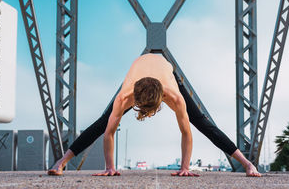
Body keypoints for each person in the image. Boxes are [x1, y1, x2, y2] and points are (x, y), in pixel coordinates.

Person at [48, 53, 261, 177]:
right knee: (103, 123)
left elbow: (186, 132)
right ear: (135, 100)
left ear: (162, 100)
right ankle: (61, 162)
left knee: (201, 122)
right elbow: (109, 133)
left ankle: (247, 163)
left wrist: (185, 168)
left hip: (164, 72)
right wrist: (110, 168)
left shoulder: (174, 96)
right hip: (139, 73)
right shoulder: (124, 97)